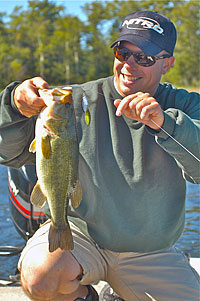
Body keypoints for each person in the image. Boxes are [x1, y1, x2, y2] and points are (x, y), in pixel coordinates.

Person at [0, 10, 199, 300]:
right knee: (40, 276)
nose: (129, 64)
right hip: (81, 237)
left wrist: (165, 124)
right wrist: (15, 105)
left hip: (149, 250)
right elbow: (9, 154)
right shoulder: (73, 101)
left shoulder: (186, 106)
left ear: (167, 63)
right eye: (122, 53)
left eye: (144, 58)